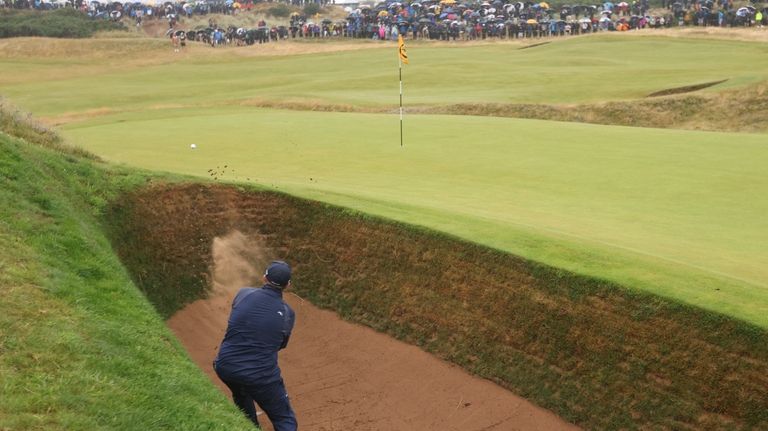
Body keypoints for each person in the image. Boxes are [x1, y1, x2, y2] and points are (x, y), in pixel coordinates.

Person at [214, 261, 298, 431]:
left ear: (264, 277)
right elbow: (280, 344)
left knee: (241, 393)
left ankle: (249, 426)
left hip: (225, 366)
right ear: (288, 285)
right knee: (285, 419)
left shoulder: (243, 294)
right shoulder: (288, 314)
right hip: (260, 376)